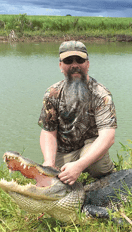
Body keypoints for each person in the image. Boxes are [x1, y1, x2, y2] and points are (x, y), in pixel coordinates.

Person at [38, 40, 117, 186]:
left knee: (99, 169)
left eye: (79, 60)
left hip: (90, 147)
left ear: (87, 64)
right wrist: (49, 161)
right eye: (68, 61)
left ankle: (100, 175)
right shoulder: (52, 94)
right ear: (61, 66)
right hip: (65, 151)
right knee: (49, 175)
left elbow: (108, 136)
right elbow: (48, 131)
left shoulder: (101, 94)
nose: (75, 65)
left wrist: (79, 165)